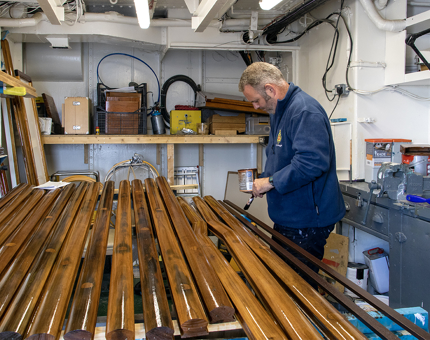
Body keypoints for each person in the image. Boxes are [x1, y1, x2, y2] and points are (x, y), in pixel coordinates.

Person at [239, 62, 345, 287]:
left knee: (297, 287)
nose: (256, 107)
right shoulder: (279, 109)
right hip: (290, 217)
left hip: (307, 221)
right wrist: (264, 179)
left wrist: (270, 182)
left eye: (256, 100)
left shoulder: (304, 111)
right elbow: (277, 155)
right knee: (282, 280)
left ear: (270, 89)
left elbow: (312, 163)